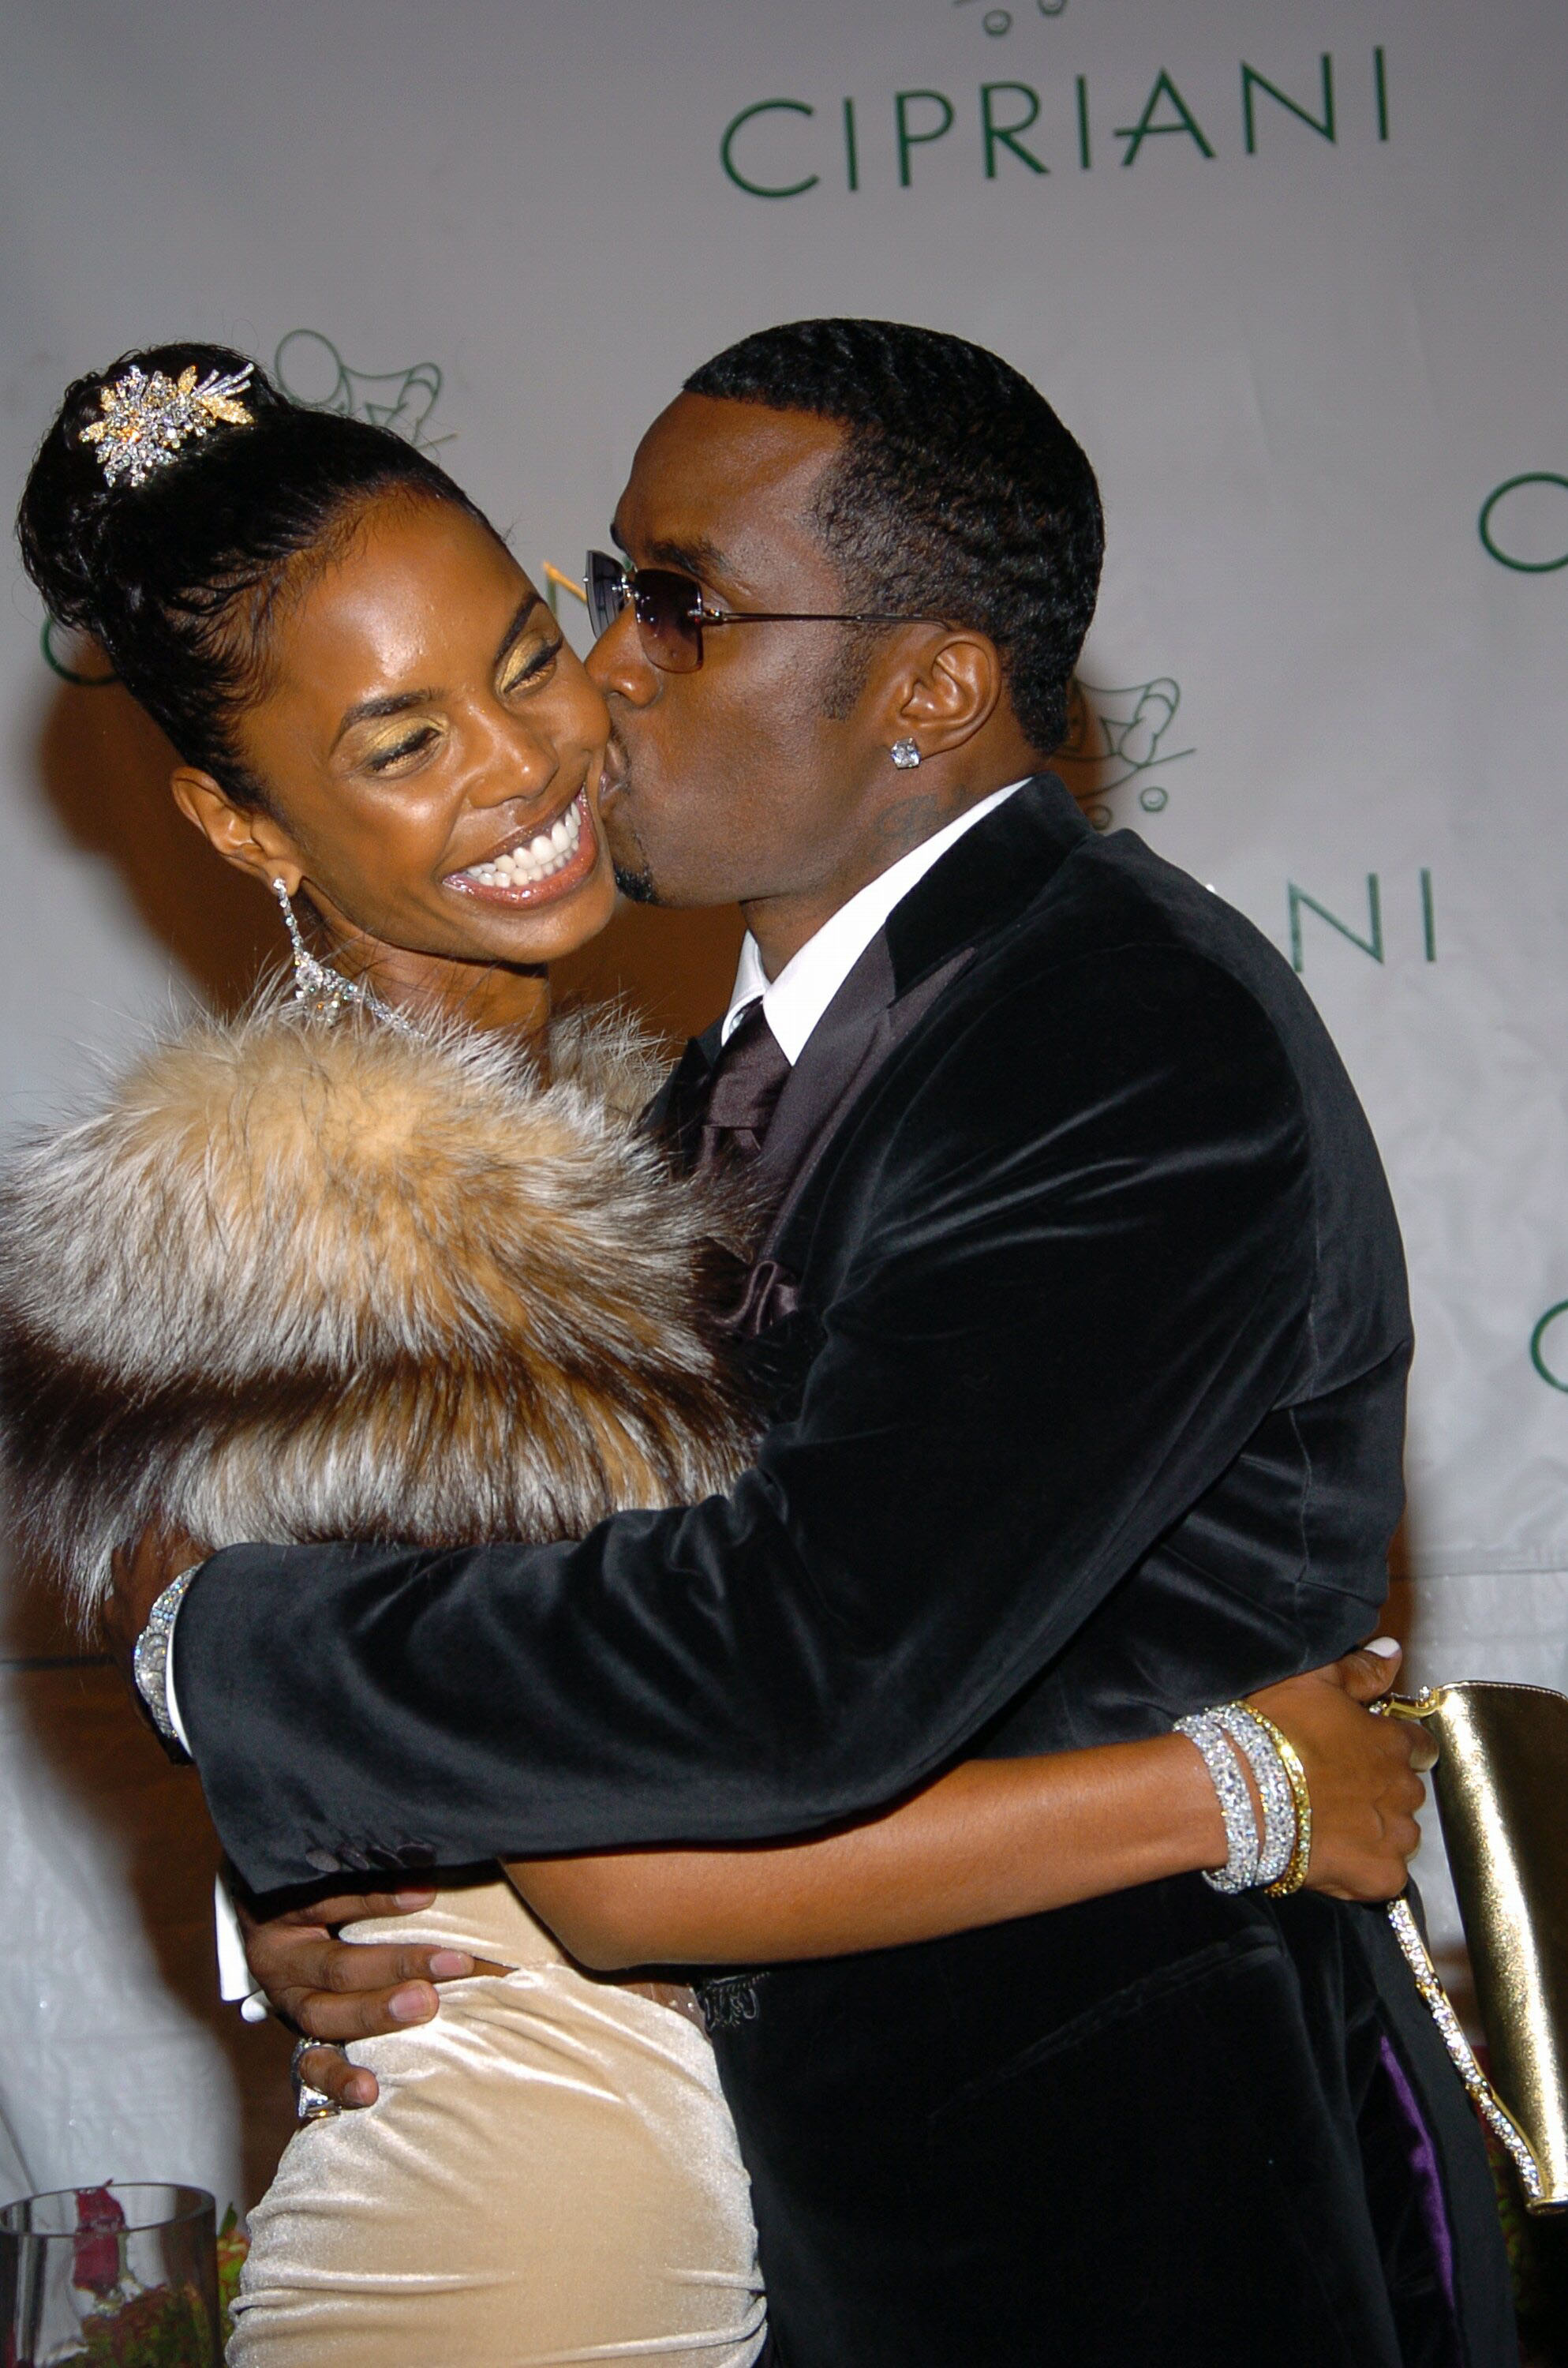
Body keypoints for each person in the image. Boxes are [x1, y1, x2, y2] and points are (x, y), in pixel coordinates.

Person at [9, 343, 1431, 2367]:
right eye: (607, 586)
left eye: (652, 608)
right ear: (247, 825)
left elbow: (787, 1669)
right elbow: (614, 1854)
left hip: (1094, 2232)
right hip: (615, 2225)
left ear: (930, 687)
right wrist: (1235, 1791)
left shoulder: (1109, 1032)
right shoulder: (589, 1134)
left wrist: (246, 1687)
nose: (590, 685)